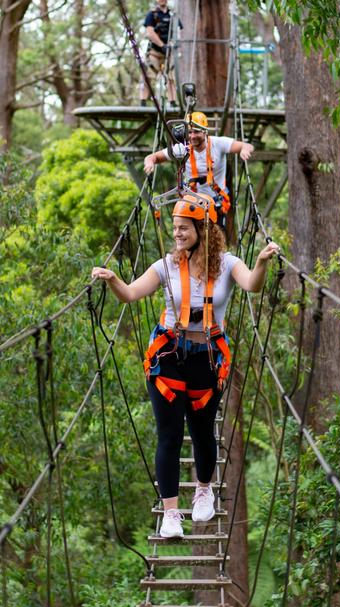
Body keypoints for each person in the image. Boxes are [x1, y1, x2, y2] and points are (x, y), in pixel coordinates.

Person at [91, 193, 279, 538]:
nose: (177, 234)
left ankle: (204, 489)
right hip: (168, 357)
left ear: (202, 229)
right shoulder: (166, 265)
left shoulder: (228, 264)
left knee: (202, 432)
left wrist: (263, 262)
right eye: (175, 228)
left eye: (184, 228)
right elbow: (132, 294)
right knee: (170, 435)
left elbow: (252, 284)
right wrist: (113, 279)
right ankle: (171, 514)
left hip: (206, 358)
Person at [142, 111, 254, 222]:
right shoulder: (182, 148)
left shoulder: (218, 144)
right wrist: (150, 162)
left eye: (196, 132)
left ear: (205, 132)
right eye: (189, 132)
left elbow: (246, 146)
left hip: (216, 200)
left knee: (216, 236)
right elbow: (152, 157)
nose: (192, 136)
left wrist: (244, 150)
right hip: (193, 200)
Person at [141, 0, 176, 104]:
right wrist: (162, 45)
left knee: (171, 77)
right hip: (155, 51)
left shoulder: (172, 15)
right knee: (149, 76)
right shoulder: (152, 14)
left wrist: (171, 45)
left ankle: (172, 101)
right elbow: (150, 33)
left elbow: (179, 31)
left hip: (169, 52)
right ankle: (143, 101)